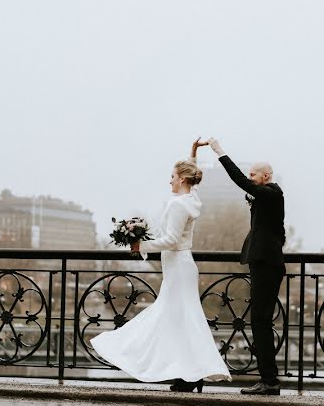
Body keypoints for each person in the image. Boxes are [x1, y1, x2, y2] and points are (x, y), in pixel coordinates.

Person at [90, 139, 231, 392]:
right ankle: (190, 373)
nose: (170, 181)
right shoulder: (191, 199)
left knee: (177, 318)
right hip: (182, 267)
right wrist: (193, 153)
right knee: (182, 319)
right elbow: (194, 184)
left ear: (182, 180)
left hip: (178, 266)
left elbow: (170, 240)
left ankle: (187, 373)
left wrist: (139, 246)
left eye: (173, 176)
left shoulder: (178, 205)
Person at [207, 137, 285, 396]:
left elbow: (239, 180)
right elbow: (277, 231)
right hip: (265, 264)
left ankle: (270, 381)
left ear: (267, 176)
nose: (250, 178)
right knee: (259, 322)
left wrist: (220, 152)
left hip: (267, 266)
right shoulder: (268, 197)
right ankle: (269, 380)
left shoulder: (272, 193)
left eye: (254, 174)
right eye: (250, 174)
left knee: (260, 322)